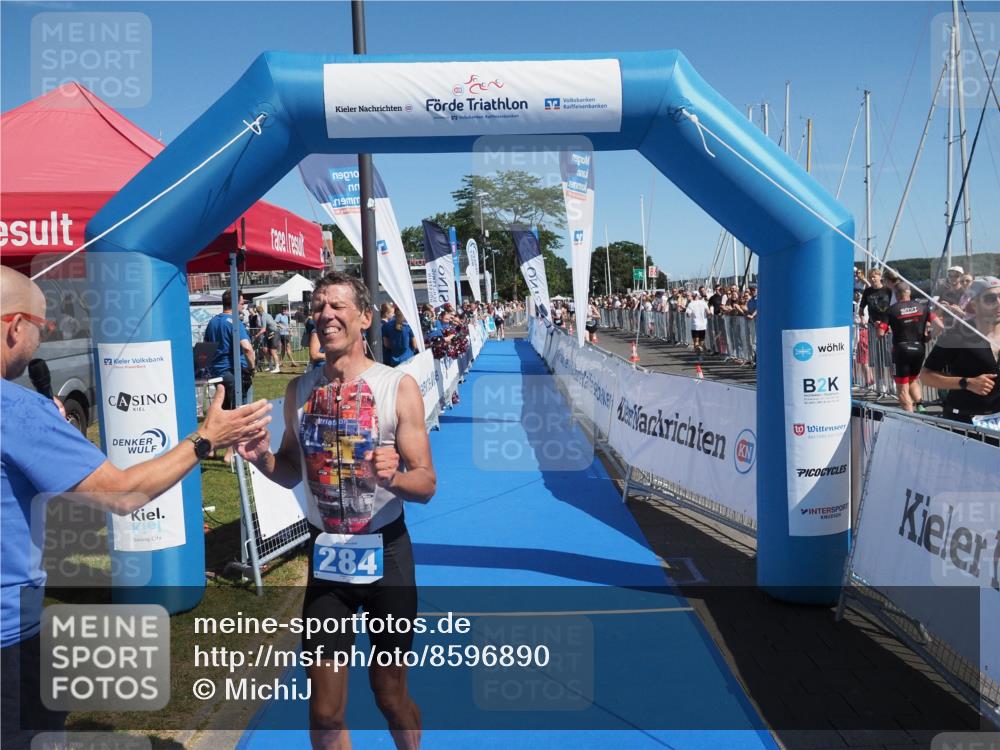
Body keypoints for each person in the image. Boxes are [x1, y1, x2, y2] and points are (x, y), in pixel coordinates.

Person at [0, 267, 271, 750]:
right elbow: (121, 494)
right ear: (14, 326)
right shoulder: (18, 412)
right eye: (43, 326)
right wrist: (206, 439)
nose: (42, 340)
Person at [238, 272, 435, 750]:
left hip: (387, 556)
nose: (325, 315)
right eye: (318, 306)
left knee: (389, 694)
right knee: (325, 713)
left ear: (365, 317)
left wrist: (394, 478)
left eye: (337, 306)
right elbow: (290, 470)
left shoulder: (397, 387)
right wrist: (262, 458)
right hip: (327, 559)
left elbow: (426, 484)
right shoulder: (298, 391)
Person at [921, 276, 1000, 424]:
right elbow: (926, 376)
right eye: (990, 299)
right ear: (974, 304)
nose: (998, 303)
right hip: (964, 420)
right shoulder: (957, 334)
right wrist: (966, 383)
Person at [883, 283, 942, 412]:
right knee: (913, 380)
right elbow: (939, 325)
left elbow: (880, 333)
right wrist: (929, 337)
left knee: (902, 388)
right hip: (919, 348)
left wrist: (879, 327)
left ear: (896, 294)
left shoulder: (892, 309)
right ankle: (920, 406)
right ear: (909, 292)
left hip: (901, 350)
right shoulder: (923, 307)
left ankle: (910, 417)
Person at [204, 290, 257, 407]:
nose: (243, 306)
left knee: (225, 411)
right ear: (234, 304)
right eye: (242, 303)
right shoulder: (234, 322)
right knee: (243, 411)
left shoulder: (212, 322)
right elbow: (247, 348)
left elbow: (206, 348)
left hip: (217, 373)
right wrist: (252, 368)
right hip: (235, 373)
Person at [255, 306, 281, 373]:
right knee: (265, 349)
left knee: (273, 351)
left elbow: (263, 329)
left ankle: (277, 367)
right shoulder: (266, 315)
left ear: (258, 312)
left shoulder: (264, 316)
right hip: (269, 334)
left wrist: (257, 335)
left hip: (274, 333)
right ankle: (270, 365)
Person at [686, 291, 710, 357]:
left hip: (695, 325)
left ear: (693, 296)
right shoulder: (704, 303)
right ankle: (704, 351)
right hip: (703, 325)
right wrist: (707, 316)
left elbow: (688, 314)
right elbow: (708, 312)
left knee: (696, 341)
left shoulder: (691, 304)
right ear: (698, 296)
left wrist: (688, 314)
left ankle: (698, 355)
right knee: (702, 340)